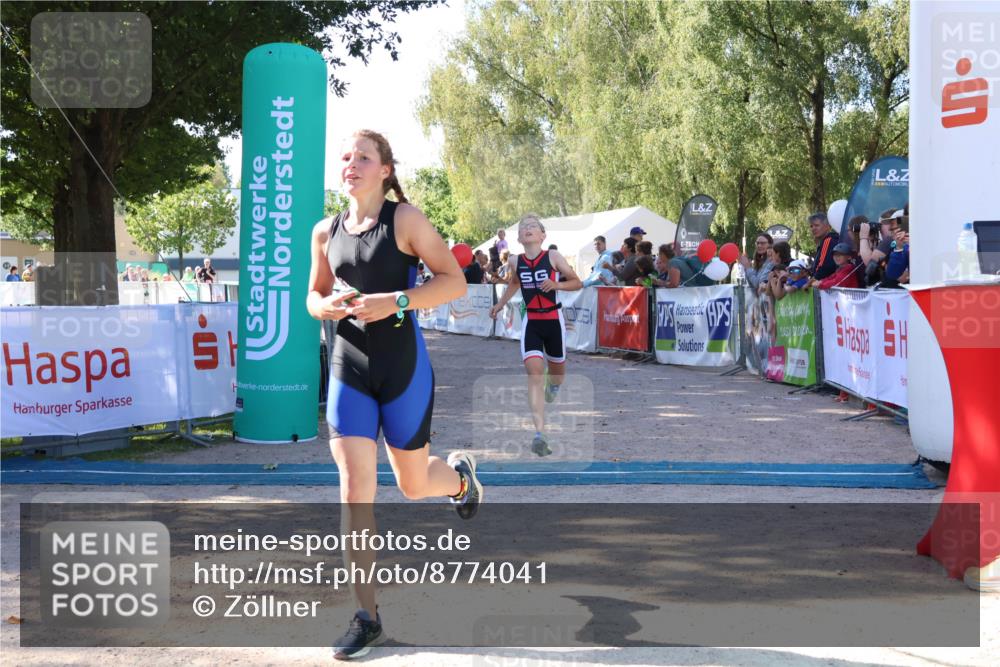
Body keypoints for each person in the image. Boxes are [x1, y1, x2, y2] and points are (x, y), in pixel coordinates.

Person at [308, 129, 482, 660]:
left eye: (363, 157)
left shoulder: (405, 220)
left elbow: (454, 282)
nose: (351, 163)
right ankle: (367, 618)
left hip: (403, 370)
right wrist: (324, 307)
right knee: (354, 490)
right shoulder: (324, 231)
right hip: (349, 368)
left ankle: (460, 482)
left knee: (412, 484)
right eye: (346, 156)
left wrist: (397, 301)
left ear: (384, 170)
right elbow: (313, 295)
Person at [489, 213, 582, 456]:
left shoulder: (553, 257)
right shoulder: (515, 261)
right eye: (523, 227)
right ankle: (540, 434)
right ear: (519, 238)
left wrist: (557, 285)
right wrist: (500, 304)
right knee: (534, 373)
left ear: (542, 235)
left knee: (557, 375)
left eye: (533, 226)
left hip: (553, 321)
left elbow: (577, 282)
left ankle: (554, 385)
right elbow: (515, 283)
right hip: (531, 321)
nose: (527, 229)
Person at [808, 212, 839, 280]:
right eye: (811, 226)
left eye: (817, 225)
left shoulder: (828, 240)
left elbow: (823, 267)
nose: (813, 228)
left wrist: (810, 282)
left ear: (828, 226)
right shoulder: (829, 240)